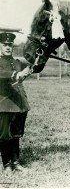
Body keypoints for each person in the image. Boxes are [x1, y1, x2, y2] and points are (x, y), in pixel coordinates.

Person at [0, 28, 32, 174]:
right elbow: (4, 74)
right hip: (4, 105)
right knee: (5, 136)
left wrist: (34, 63)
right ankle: (7, 164)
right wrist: (16, 74)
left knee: (16, 135)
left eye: (10, 45)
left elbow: (33, 66)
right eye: (4, 44)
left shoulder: (17, 62)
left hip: (20, 105)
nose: (8, 47)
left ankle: (16, 162)